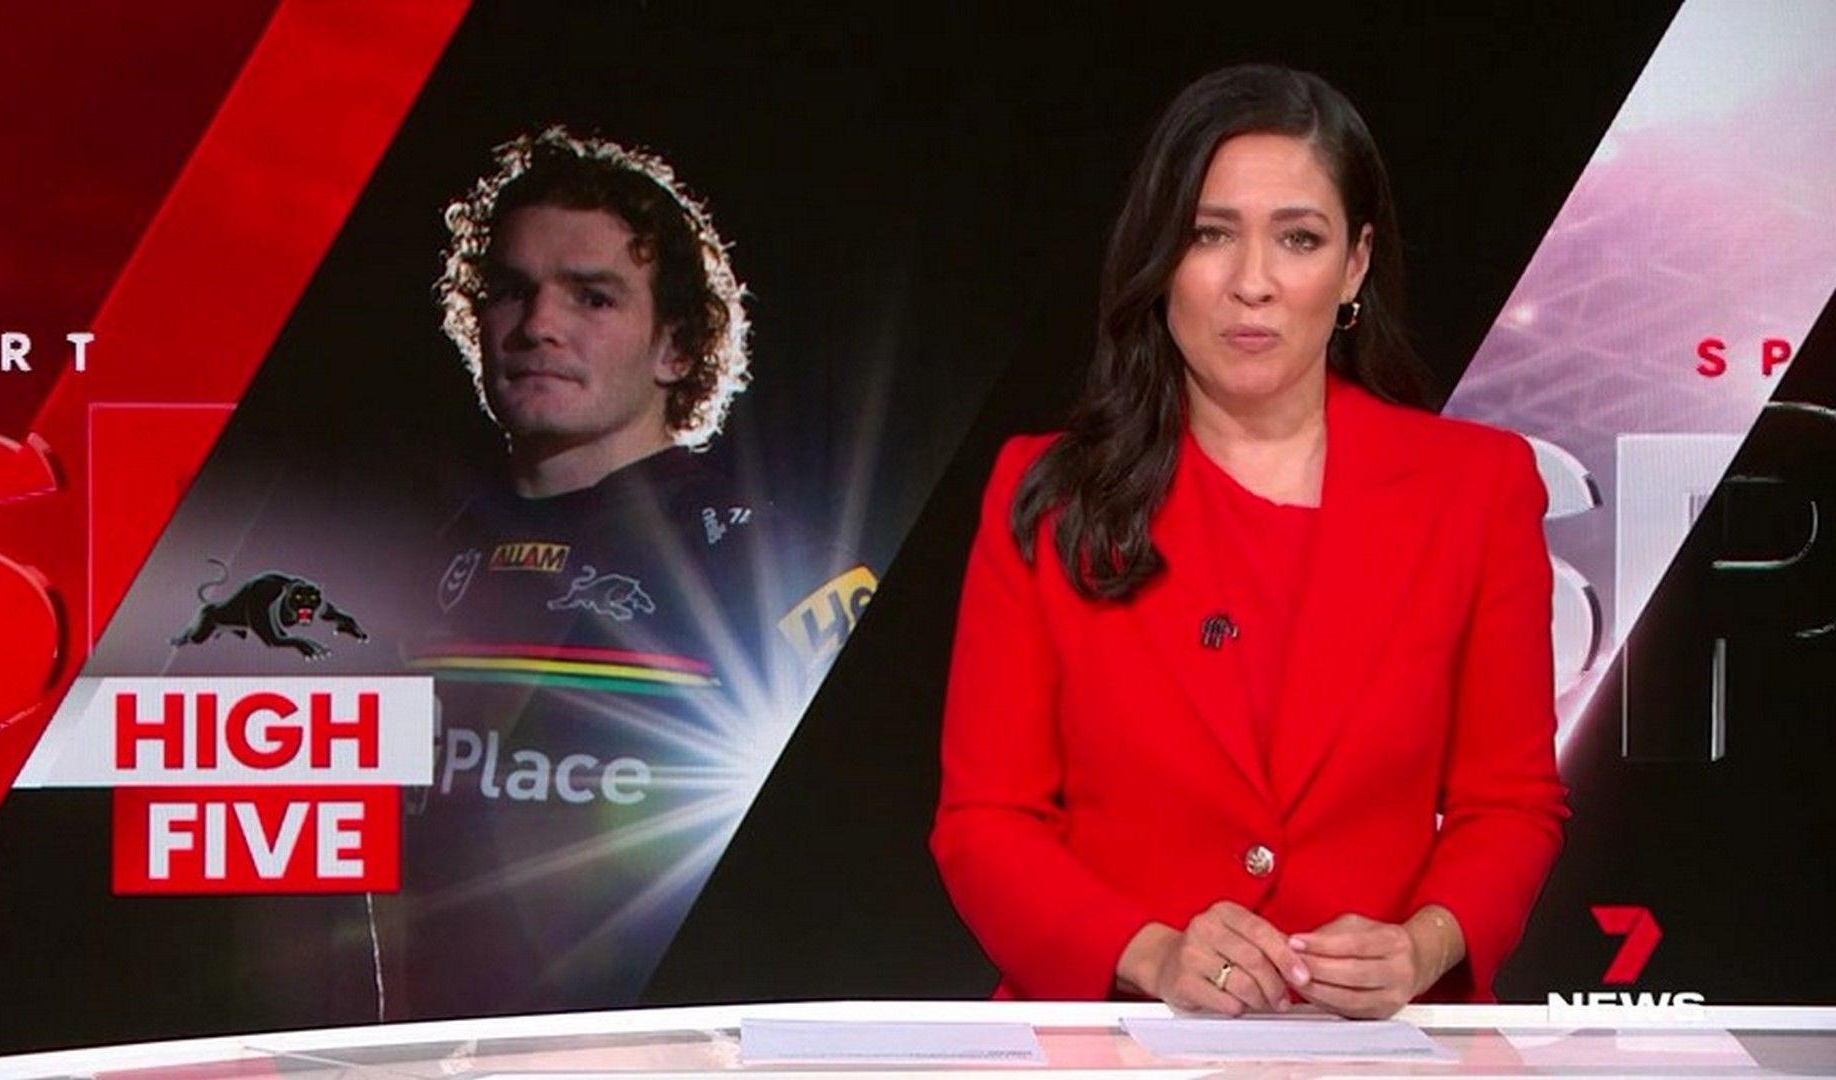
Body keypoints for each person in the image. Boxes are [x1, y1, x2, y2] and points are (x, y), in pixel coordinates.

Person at [929, 65, 1567, 1018]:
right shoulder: (1050, 494)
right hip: (1118, 1040)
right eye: (1210, 234)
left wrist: (1421, 946)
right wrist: (1151, 956)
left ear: (1354, 265)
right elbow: (986, 821)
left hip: (1375, 1049)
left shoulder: (1476, 488)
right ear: (1160, 258)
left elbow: (1509, 804)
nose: (1253, 283)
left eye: (1299, 238)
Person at [384, 127, 876, 1017]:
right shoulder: (407, 562)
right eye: (512, 291)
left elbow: (860, 865)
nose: (539, 325)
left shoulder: (783, 570)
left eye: (593, 297)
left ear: (676, 348)